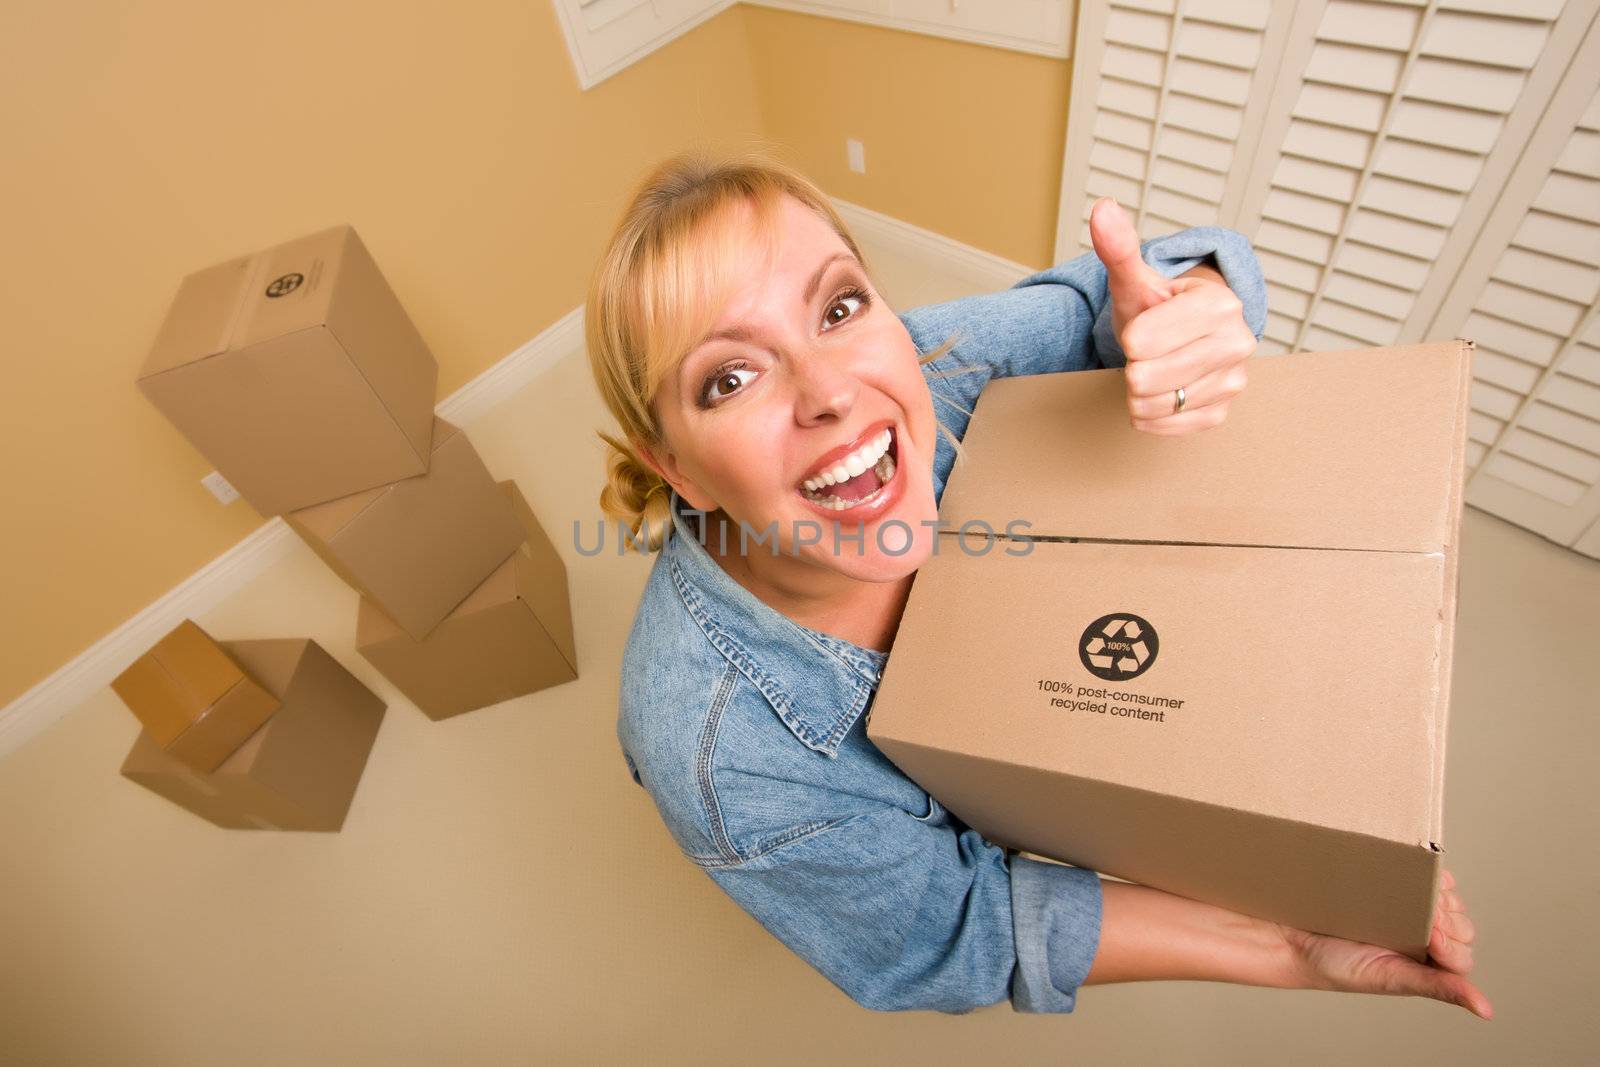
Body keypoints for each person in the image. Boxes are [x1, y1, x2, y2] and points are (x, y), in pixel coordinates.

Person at [585, 148, 1490, 1019]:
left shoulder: (946, 370)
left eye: (839, 307)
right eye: (729, 377)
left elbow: (1129, 287)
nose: (830, 392)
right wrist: (1285, 945)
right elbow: (952, 925)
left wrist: (1192, 311)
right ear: (677, 470)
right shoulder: (724, 760)